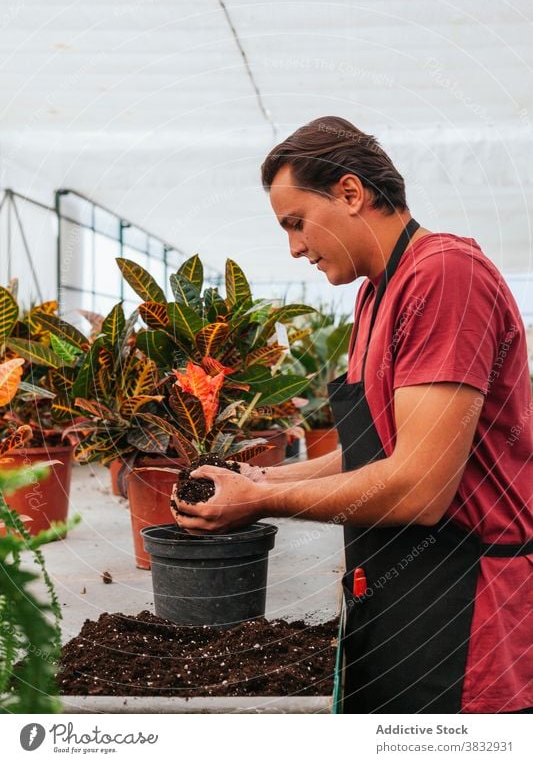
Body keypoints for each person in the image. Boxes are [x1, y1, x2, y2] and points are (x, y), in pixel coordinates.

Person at [172, 116, 533, 714]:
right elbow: (376, 451)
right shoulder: (375, 293)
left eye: (296, 223)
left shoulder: (445, 278)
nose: (293, 248)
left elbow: (419, 486)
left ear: (349, 192)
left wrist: (259, 502)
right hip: (398, 589)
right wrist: (260, 478)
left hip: (469, 610)